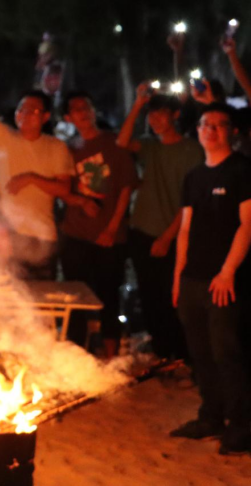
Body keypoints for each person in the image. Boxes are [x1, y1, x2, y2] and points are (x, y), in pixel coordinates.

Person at [170, 103, 251, 454]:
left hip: (226, 280)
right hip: (193, 279)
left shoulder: (242, 170)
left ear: (232, 131)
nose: (211, 130)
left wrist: (228, 271)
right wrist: (178, 278)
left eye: (220, 125)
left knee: (227, 352)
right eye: (205, 124)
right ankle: (211, 416)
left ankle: (242, 426)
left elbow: (248, 224)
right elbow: (185, 230)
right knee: (200, 353)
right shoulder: (194, 176)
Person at [0, 52, 74, 279]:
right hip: (8, 235)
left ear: (44, 117)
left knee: (43, 301)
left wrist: (30, 178)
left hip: (42, 236)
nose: (24, 114)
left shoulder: (56, 147)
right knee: (11, 299)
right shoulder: (6, 140)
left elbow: (64, 189)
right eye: (21, 109)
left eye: (32, 111)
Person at [117, 84, 203, 362]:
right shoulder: (149, 146)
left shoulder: (191, 150)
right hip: (141, 229)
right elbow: (121, 142)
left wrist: (167, 237)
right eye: (151, 116)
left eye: (161, 114)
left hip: (172, 233)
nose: (154, 120)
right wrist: (137, 105)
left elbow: (189, 201)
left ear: (175, 115)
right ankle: (161, 351)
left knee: (173, 297)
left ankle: (180, 354)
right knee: (149, 294)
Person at [59, 91, 139, 357]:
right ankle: (76, 352)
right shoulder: (67, 148)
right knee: (76, 295)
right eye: (76, 109)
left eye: (87, 107)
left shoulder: (113, 144)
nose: (82, 112)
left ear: (93, 112)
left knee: (108, 295)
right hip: (76, 233)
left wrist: (113, 228)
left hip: (109, 235)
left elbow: (126, 188)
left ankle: (110, 354)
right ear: (68, 117)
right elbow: (62, 188)